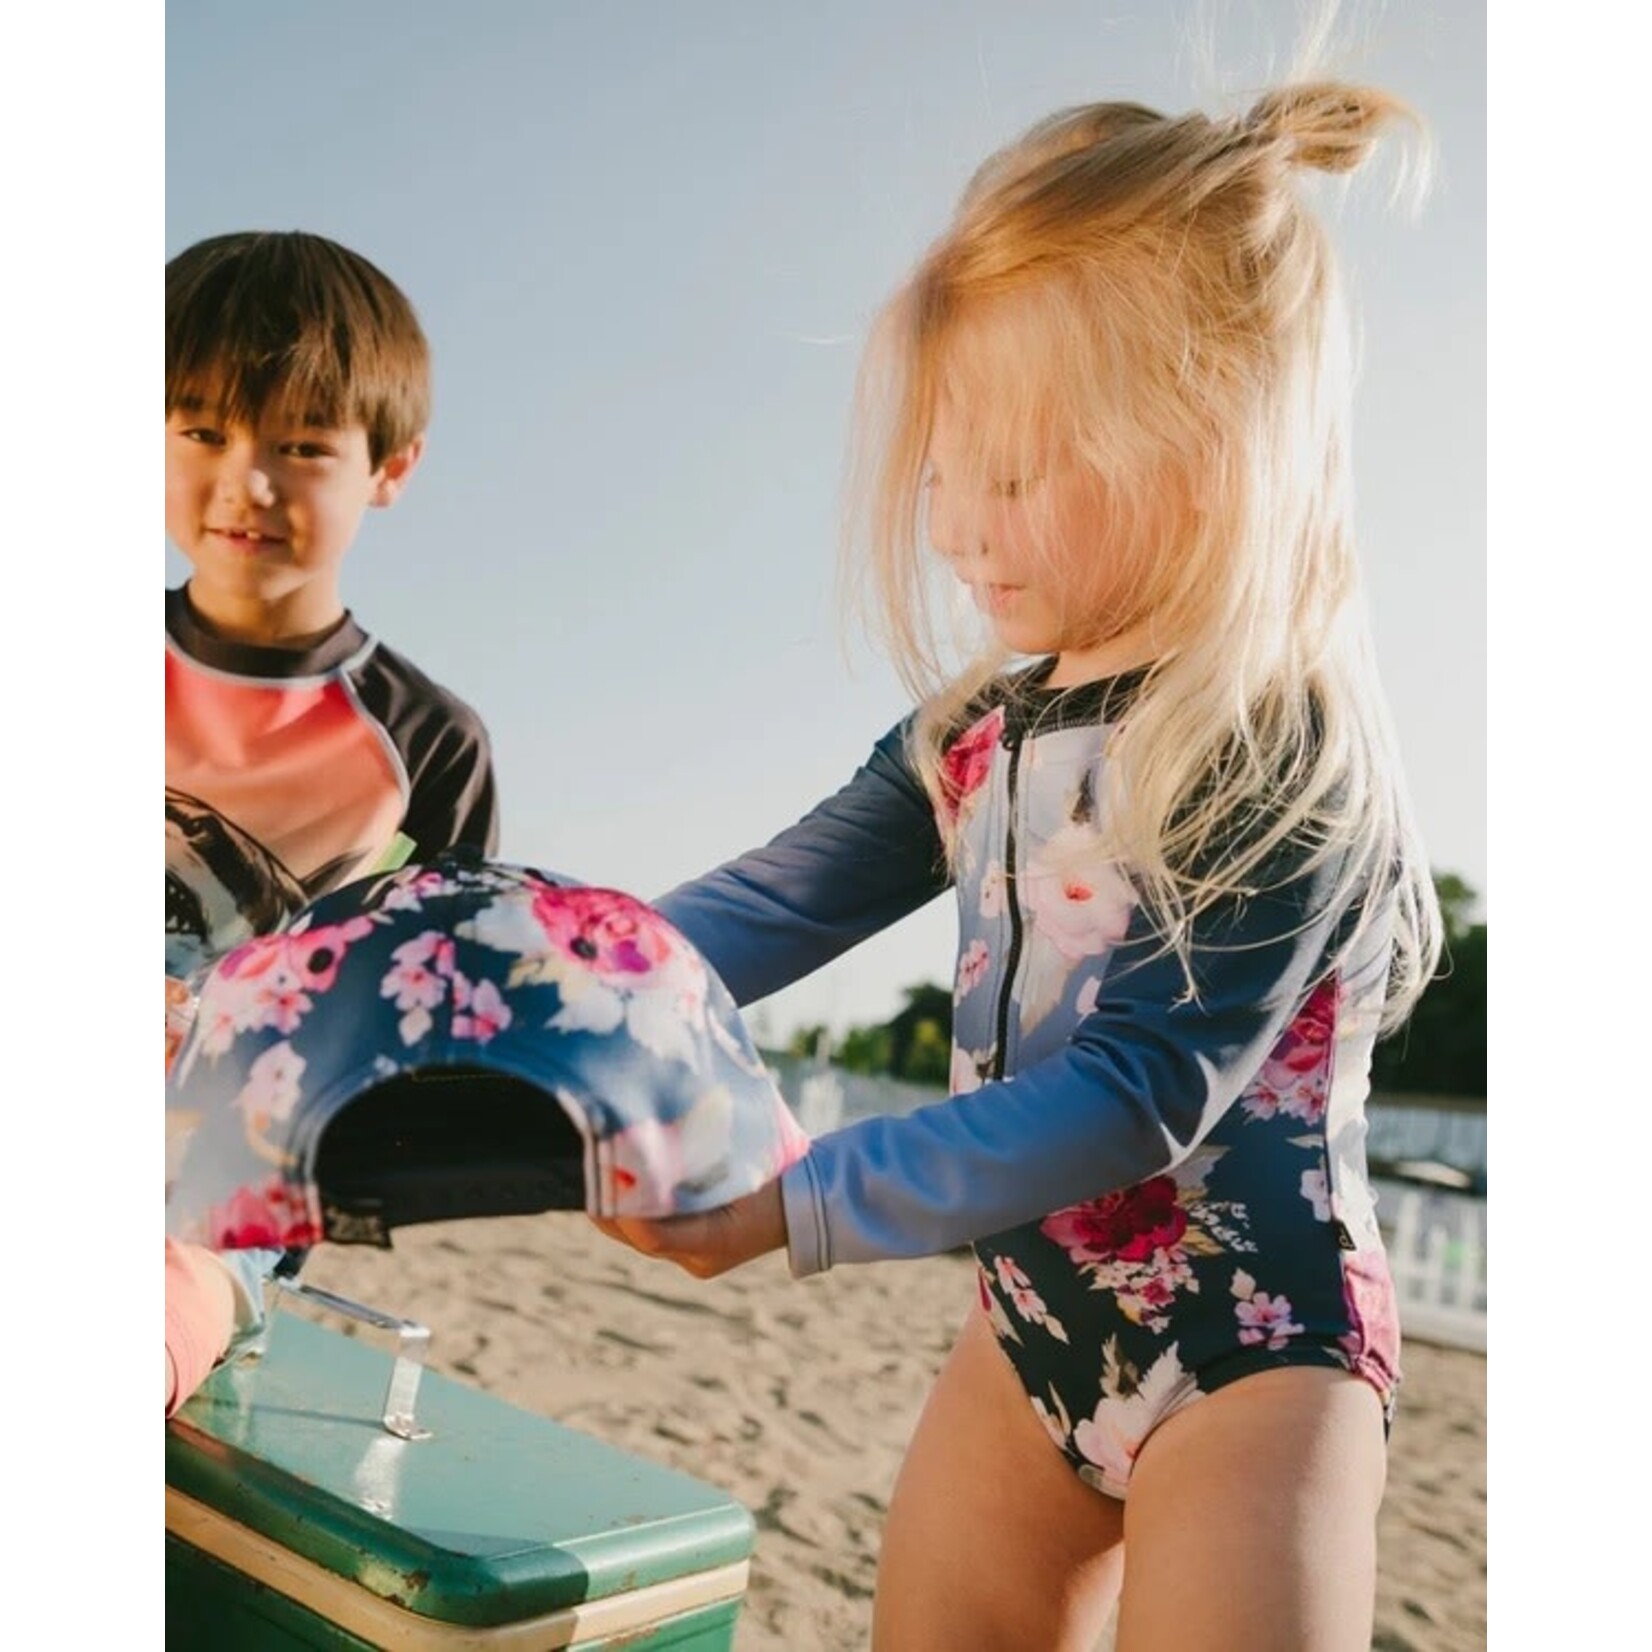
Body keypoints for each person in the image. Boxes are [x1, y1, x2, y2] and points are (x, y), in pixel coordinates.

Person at [591, 79, 1443, 1652]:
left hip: (1256, 1367)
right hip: (1033, 1331)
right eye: (944, 469)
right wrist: (528, 988)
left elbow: (1136, 1092)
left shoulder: (1277, 734)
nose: (959, 531)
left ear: (1208, 440)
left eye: (1020, 470)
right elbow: (768, 904)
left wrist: (800, 1200)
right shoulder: (979, 727)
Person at [164, 230, 501, 1413]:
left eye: (302, 447)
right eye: (202, 431)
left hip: (214, 1200)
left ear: (390, 466)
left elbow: (413, 1035)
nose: (243, 483)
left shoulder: (427, 744)